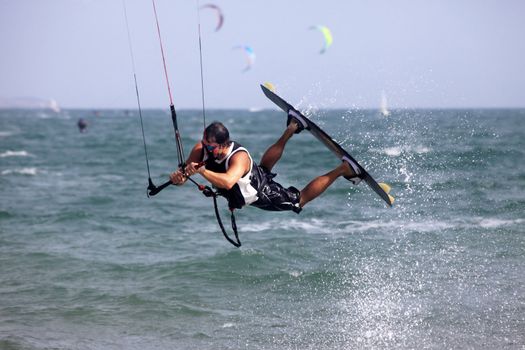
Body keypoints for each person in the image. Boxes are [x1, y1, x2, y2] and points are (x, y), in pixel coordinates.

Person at [169, 111, 361, 213]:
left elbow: (228, 181)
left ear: (224, 144)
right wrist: (179, 178)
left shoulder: (238, 158)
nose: (207, 149)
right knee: (264, 168)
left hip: (260, 192)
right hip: (253, 176)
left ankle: (344, 169)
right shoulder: (200, 149)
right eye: (205, 144)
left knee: (299, 200)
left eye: (211, 147)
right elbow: (185, 175)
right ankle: (293, 127)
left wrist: (201, 172)